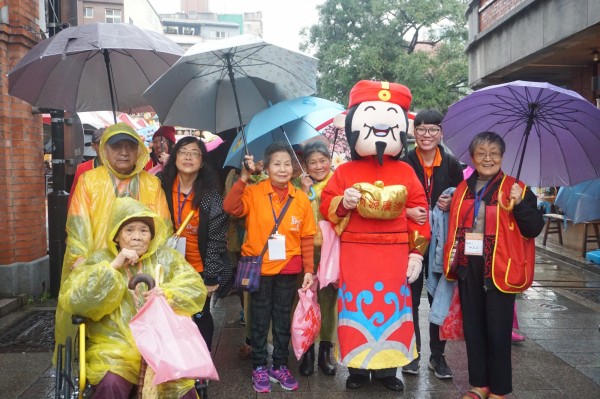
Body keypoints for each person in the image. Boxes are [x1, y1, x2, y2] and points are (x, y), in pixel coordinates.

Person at [320, 80, 431, 392]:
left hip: (395, 254)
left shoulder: (406, 171)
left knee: (394, 308)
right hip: (356, 253)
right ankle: (357, 367)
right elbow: (327, 206)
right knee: (355, 306)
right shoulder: (343, 172)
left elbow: (421, 212)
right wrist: (344, 202)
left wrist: (416, 253)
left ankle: (388, 370)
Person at [58, 197, 206, 398]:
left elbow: (195, 288)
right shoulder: (100, 261)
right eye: (129, 230)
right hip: (115, 348)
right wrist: (112, 268)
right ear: (117, 236)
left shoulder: (166, 259)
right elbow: (77, 301)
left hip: (162, 345)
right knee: (111, 384)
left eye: (144, 231)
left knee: (182, 389)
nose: (137, 237)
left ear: (152, 236)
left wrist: (168, 293)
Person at [55, 122, 172, 361]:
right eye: (117, 146)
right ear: (104, 151)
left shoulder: (151, 183)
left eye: (130, 146)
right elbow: (77, 228)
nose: (124, 153)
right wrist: (82, 262)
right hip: (102, 268)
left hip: (143, 269)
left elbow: (163, 230)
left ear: (139, 151)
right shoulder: (89, 181)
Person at [443, 131, 544, 399]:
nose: (488, 159)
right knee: (474, 329)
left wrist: (520, 204)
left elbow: (533, 228)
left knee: (498, 332)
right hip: (468, 267)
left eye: (494, 153)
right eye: (481, 153)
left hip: (499, 267)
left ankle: (499, 389)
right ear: (473, 157)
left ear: (502, 156)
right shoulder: (463, 188)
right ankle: (479, 385)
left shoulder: (516, 188)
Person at [223, 143, 316, 393]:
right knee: (261, 318)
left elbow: (307, 236)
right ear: (266, 167)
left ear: (294, 169)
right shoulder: (254, 192)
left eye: (287, 164)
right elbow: (230, 208)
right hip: (259, 267)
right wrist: (243, 176)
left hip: (289, 267)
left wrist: (309, 269)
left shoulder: (300, 199)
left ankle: (280, 365)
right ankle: (259, 366)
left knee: (283, 318)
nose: (283, 169)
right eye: (277, 164)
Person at [401, 108, 464, 378]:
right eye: (422, 129)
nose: (427, 135)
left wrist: (452, 201)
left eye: (433, 129)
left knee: (439, 296)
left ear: (441, 133)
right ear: (413, 133)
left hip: (441, 241)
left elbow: (464, 199)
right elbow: (392, 197)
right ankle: (413, 354)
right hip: (411, 241)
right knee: (410, 298)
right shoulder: (402, 162)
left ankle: (437, 357)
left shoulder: (451, 164)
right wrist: (406, 211)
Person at [159, 136, 232, 352]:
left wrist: (210, 277)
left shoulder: (212, 196)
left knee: (200, 315)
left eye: (195, 153)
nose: (188, 156)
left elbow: (216, 240)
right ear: (174, 157)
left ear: (202, 162)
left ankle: (201, 368)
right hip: (167, 267)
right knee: (170, 316)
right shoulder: (160, 186)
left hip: (198, 269)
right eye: (183, 151)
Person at [296, 140, 337, 377]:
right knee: (305, 300)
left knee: (328, 301)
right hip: (305, 250)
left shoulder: (339, 182)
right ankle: (307, 351)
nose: (319, 166)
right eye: (313, 162)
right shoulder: (300, 185)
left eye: (323, 161)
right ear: (305, 165)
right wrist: (303, 191)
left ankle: (325, 352)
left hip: (331, 251)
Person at [68, 127, 105, 208]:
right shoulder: (83, 168)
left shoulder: (120, 167)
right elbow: (74, 199)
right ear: (93, 146)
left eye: (109, 144)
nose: (105, 148)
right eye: (101, 144)